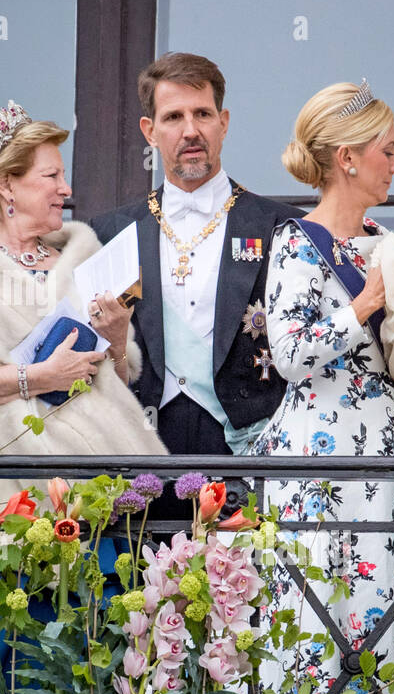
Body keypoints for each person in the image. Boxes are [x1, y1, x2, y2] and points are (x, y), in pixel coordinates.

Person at [249, 80, 394, 694]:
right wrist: (364, 305)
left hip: (380, 448)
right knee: (318, 622)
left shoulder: (385, 238)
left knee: (385, 616)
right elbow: (292, 355)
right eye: (387, 149)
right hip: (316, 458)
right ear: (347, 158)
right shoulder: (296, 240)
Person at [0, 102, 167, 518]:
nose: (66, 189)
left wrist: (115, 338)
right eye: (52, 176)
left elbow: (115, 387)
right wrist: (41, 377)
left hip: (88, 491)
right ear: (7, 185)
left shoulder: (84, 260)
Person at [91, 53, 300, 519]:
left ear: (223, 122)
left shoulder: (280, 226)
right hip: (144, 455)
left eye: (202, 114)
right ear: (150, 130)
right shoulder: (110, 232)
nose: (190, 130)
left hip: (247, 453)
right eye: (173, 117)